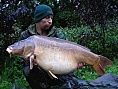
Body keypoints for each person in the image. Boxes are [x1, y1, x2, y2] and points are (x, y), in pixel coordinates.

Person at [18, 4, 84, 89]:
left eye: (51, 18)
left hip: (58, 64)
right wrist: (28, 61)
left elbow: (69, 50)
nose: (50, 21)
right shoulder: (26, 35)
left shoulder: (57, 34)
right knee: (30, 69)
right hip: (37, 68)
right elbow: (21, 59)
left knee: (70, 82)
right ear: (38, 18)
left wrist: (77, 62)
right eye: (47, 17)